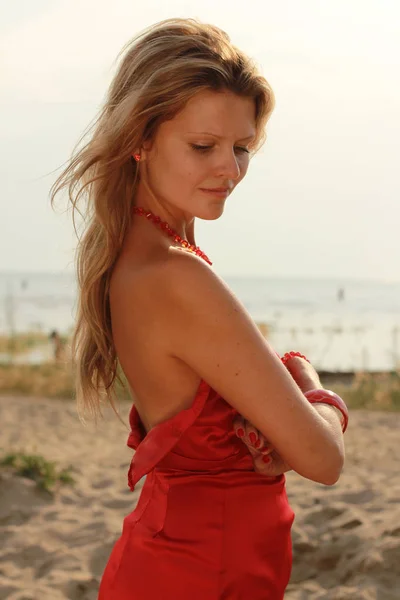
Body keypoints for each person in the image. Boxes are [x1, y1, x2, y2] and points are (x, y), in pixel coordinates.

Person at [50, 18, 348, 600]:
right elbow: (324, 459)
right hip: (201, 572)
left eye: (241, 148)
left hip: (191, 558)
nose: (230, 170)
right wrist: (317, 392)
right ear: (141, 140)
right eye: (203, 146)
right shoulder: (176, 274)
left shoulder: (145, 256)